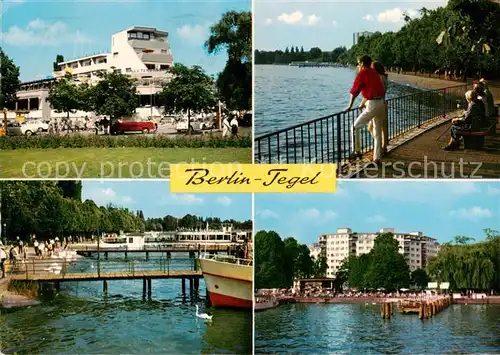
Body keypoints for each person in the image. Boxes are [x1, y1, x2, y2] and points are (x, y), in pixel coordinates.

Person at [345, 55, 386, 163]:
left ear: (362, 63)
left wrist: (350, 106)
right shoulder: (374, 73)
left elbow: (354, 91)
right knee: (377, 131)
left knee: (355, 126)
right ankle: (377, 158)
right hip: (381, 102)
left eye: (358, 63)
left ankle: (356, 151)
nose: (358, 65)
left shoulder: (362, 74)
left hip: (372, 104)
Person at [364, 61, 389, 155]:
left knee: (372, 127)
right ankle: (383, 146)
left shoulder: (379, 78)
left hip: (377, 103)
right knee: (382, 127)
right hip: (383, 103)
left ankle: (382, 146)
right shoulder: (383, 77)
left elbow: (375, 92)